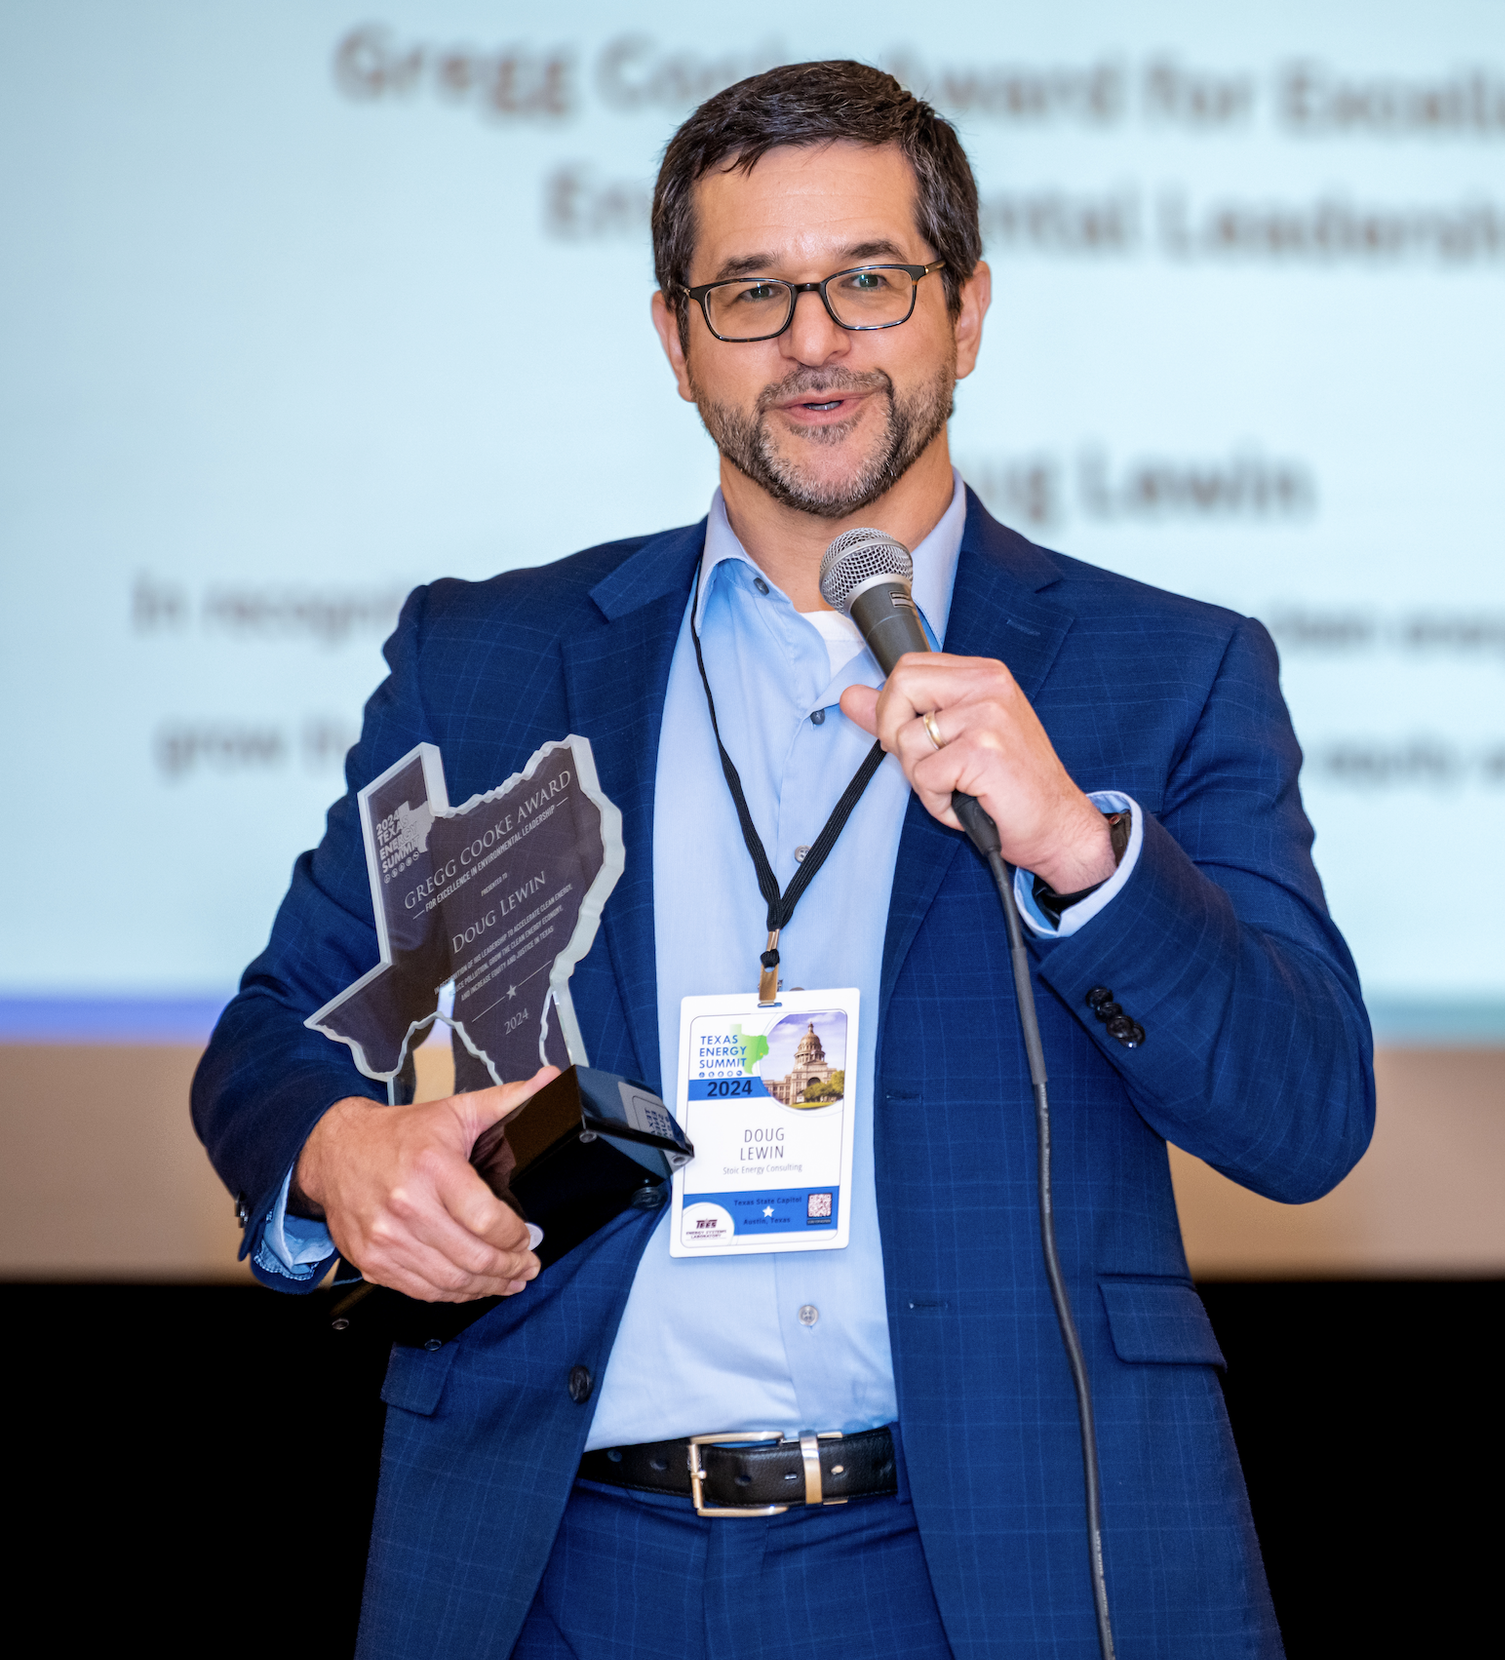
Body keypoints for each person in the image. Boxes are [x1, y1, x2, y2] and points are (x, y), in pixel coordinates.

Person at [192, 59, 1373, 1660]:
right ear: (675, 343)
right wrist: (341, 1154)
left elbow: (1307, 1119)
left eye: (869, 282)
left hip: (991, 1563)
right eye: (752, 292)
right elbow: (276, 1037)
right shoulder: (489, 661)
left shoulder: (1165, 672)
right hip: (556, 1566)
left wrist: (1083, 855)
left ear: (966, 313)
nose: (814, 339)